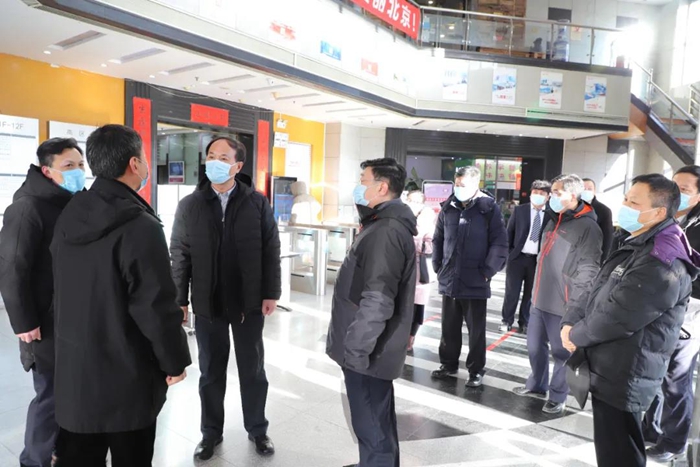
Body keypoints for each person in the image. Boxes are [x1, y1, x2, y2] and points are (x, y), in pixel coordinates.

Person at [50, 125, 191, 466]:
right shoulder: (140, 226)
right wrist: (174, 361)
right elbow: (155, 307)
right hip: (127, 375)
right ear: (134, 164)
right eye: (144, 157)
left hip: (76, 372)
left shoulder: (71, 212)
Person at [561, 174, 700, 467]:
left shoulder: (662, 259)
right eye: (626, 198)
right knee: (612, 448)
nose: (624, 206)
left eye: (633, 203)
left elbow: (619, 316)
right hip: (612, 365)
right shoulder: (636, 241)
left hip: (627, 372)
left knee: (620, 453)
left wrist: (576, 335)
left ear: (659, 212)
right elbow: (600, 286)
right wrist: (572, 320)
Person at [170, 136, 281, 460]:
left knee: (253, 369)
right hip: (208, 302)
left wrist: (271, 292)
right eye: (210, 156)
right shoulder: (190, 205)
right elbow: (180, 254)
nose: (214, 162)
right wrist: (180, 299)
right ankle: (210, 433)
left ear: (237, 165)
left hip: (248, 303)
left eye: (223, 157)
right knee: (211, 372)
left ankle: (258, 429)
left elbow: (270, 249)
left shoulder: (256, 202)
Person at [0, 138, 86, 467]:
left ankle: (60, 452)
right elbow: (11, 268)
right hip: (43, 324)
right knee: (50, 395)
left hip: (73, 318)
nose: (78, 171)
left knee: (70, 393)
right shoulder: (28, 207)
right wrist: (24, 322)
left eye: (81, 165)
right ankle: (33, 460)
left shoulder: (71, 203)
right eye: (69, 166)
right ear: (47, 170)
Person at [326, 158, 417, 467]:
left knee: (371, 422)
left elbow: (378, 298)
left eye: (363, 180)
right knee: (376, 416)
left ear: (382, 187)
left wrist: (356, 349)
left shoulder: (386, 231)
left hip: (369, 349)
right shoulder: (382, 224)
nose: (358, 186)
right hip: (371, 345)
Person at [512, 174, 602, 414]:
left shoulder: (588, 227)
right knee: (534, 348)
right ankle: (536, 385)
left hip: (562, 303)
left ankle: (558, 395)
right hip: (539, 299)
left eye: (556, 193)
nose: (551, 197)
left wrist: (575, 305)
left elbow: (588, 270)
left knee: (561, 352)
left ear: (572, 195)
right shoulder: (554, 219)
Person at [430, 166, 508, 388]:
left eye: (462, 185)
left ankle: (475, 370)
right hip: (449, 276)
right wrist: (438, 265)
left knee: (476, 330)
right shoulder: (449, 206)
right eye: (456, 184)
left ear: (475, 184)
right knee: (449, 326)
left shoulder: (488, 208)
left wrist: (487, 271)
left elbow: (500, 242)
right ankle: (448, 364)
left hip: (475, 279)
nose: (458, 188)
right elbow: (438, 238)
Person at [642, 165, 700, 462]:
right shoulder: (673, 216)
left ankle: (673, 442)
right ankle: (651, 429)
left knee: (677, 376)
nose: (678, 192)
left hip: (691, 307)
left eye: (685, 189)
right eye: (674, 185)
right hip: (663, 302)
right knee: (656, 368)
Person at [499, 180, 552, 334]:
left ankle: (525, 322)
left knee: (530, 294)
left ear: (548, 197)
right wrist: (509, 253)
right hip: (517, 258)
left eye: (542, 193)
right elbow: (509, 232)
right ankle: (506, 320)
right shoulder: (520, 210)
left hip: (537, 261)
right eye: (535, 192)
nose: (538, 195)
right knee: (512, 292)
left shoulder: (551, 215)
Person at [405, 189, 436, 351]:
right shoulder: (402, 215)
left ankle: (411, 337)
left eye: (417, 202)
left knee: (417, 304)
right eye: (411, 200)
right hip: (402, 264)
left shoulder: (428, 216)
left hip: (419, 266)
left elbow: (423, 241)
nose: (413, 204)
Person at [581, 178, 614, 262]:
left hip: (592, 256)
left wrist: (603, 260)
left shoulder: (604, 210)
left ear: (594, 191)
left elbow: (607, 238)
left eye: (589, 189)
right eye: (583, 188)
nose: (586, 191)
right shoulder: (571, 208)